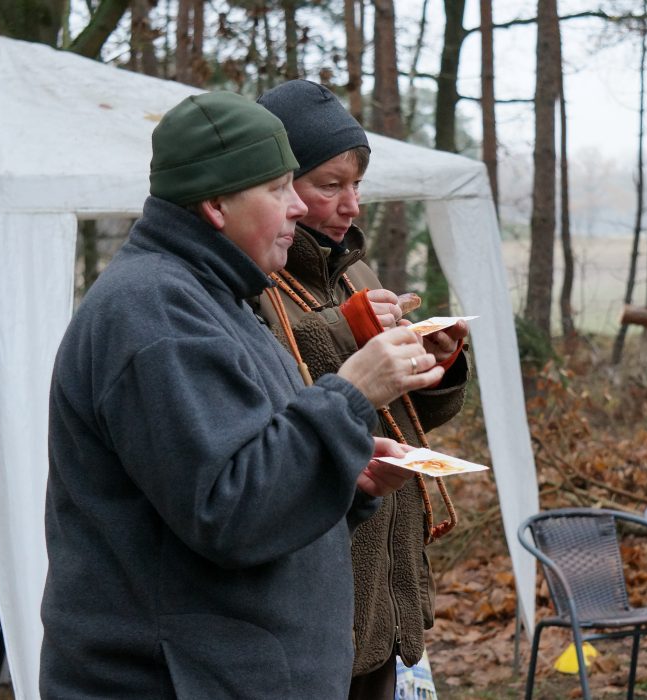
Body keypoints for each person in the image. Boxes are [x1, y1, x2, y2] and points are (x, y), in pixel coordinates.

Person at [41, 91, 443, 699]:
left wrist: (346, 476)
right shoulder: (156, 315)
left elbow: (258, 469)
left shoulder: (216, 298)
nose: (295, 209)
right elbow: (230, 512)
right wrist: (353, 392)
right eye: (280, 189)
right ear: (215, 204)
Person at [256, 79, 471, 700]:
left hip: (385, 585)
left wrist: (436, 361)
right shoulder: (251, 286)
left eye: (357, 186)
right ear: (277, 186)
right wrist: (351, 339)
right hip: (321, 589)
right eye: (330, 185)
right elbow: (284, 420)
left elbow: (401, 410)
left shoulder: (352, 267)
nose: (351, 205)